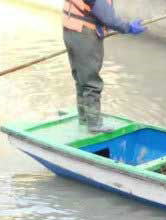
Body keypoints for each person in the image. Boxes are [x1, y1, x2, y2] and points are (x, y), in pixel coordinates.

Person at [62, 0, 146, 133]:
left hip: (70, 31)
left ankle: (84, 118)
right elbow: (107, 17)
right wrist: (128, 27)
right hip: (85, 34)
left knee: (81, 77)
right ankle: (94, 123)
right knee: (91, 81)